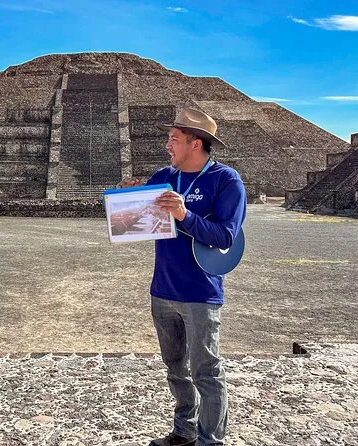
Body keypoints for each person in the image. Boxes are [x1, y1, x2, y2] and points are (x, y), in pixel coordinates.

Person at [119, 108, 246, 446]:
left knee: (207, 372)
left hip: (200, 293)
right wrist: (128, 196)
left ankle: (210, 441)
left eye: (174, 139)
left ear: (195, 143)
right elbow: (136, 221)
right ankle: (184, 431)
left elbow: (226, 236)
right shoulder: (164, 176)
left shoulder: (225, 180)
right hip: (163, 289)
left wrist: (183, 214)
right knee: (176, 369)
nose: (167, 145)